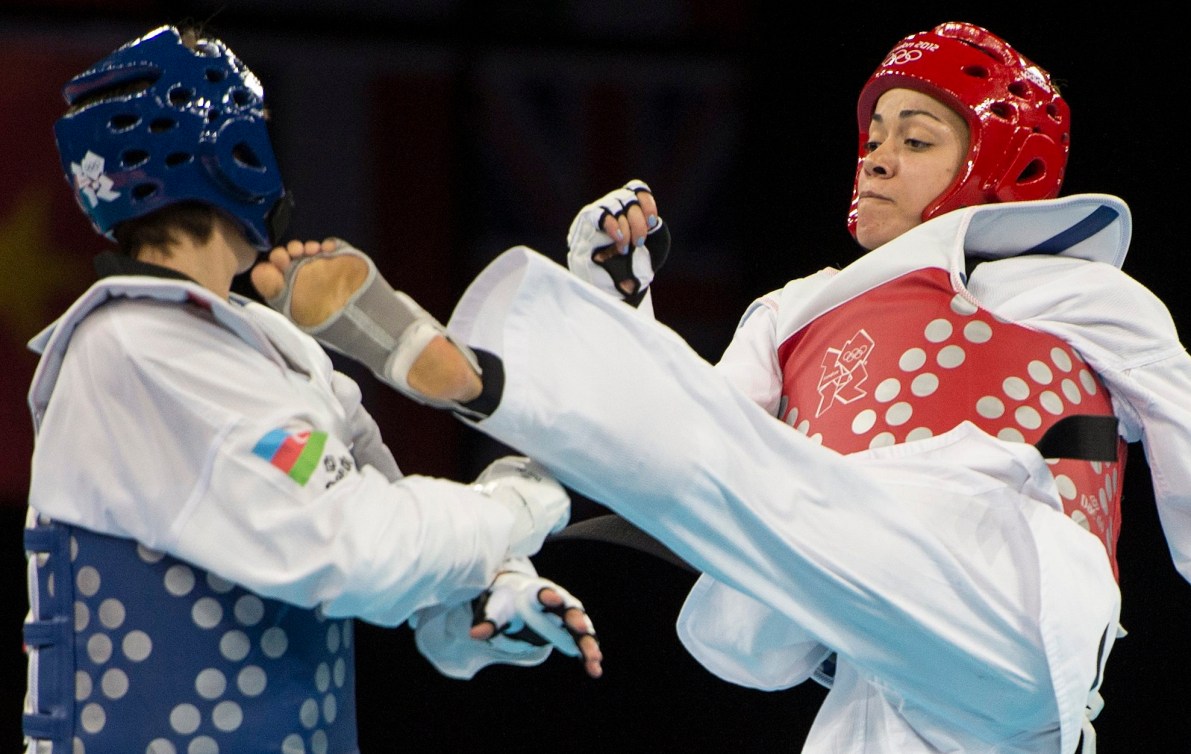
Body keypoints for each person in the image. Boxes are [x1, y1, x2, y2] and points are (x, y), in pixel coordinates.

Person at [256, 21, 1191, 754]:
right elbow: (698, 446)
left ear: (992, 171)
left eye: (915, 139)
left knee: (795, 491)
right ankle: (545, 367)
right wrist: (621, 306)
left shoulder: (1074, 288)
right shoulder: (791, 313)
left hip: (1006, 593)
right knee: (745, 478)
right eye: (872, 135)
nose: (873, 156)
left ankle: (489, 378)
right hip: (863, 651)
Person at [23, 25, 602, 754]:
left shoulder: (265, 348)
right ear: (231, 153)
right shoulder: (141, 351)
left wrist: (488, 596)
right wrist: (518, 505)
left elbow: (392, 533)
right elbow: (356, 552)